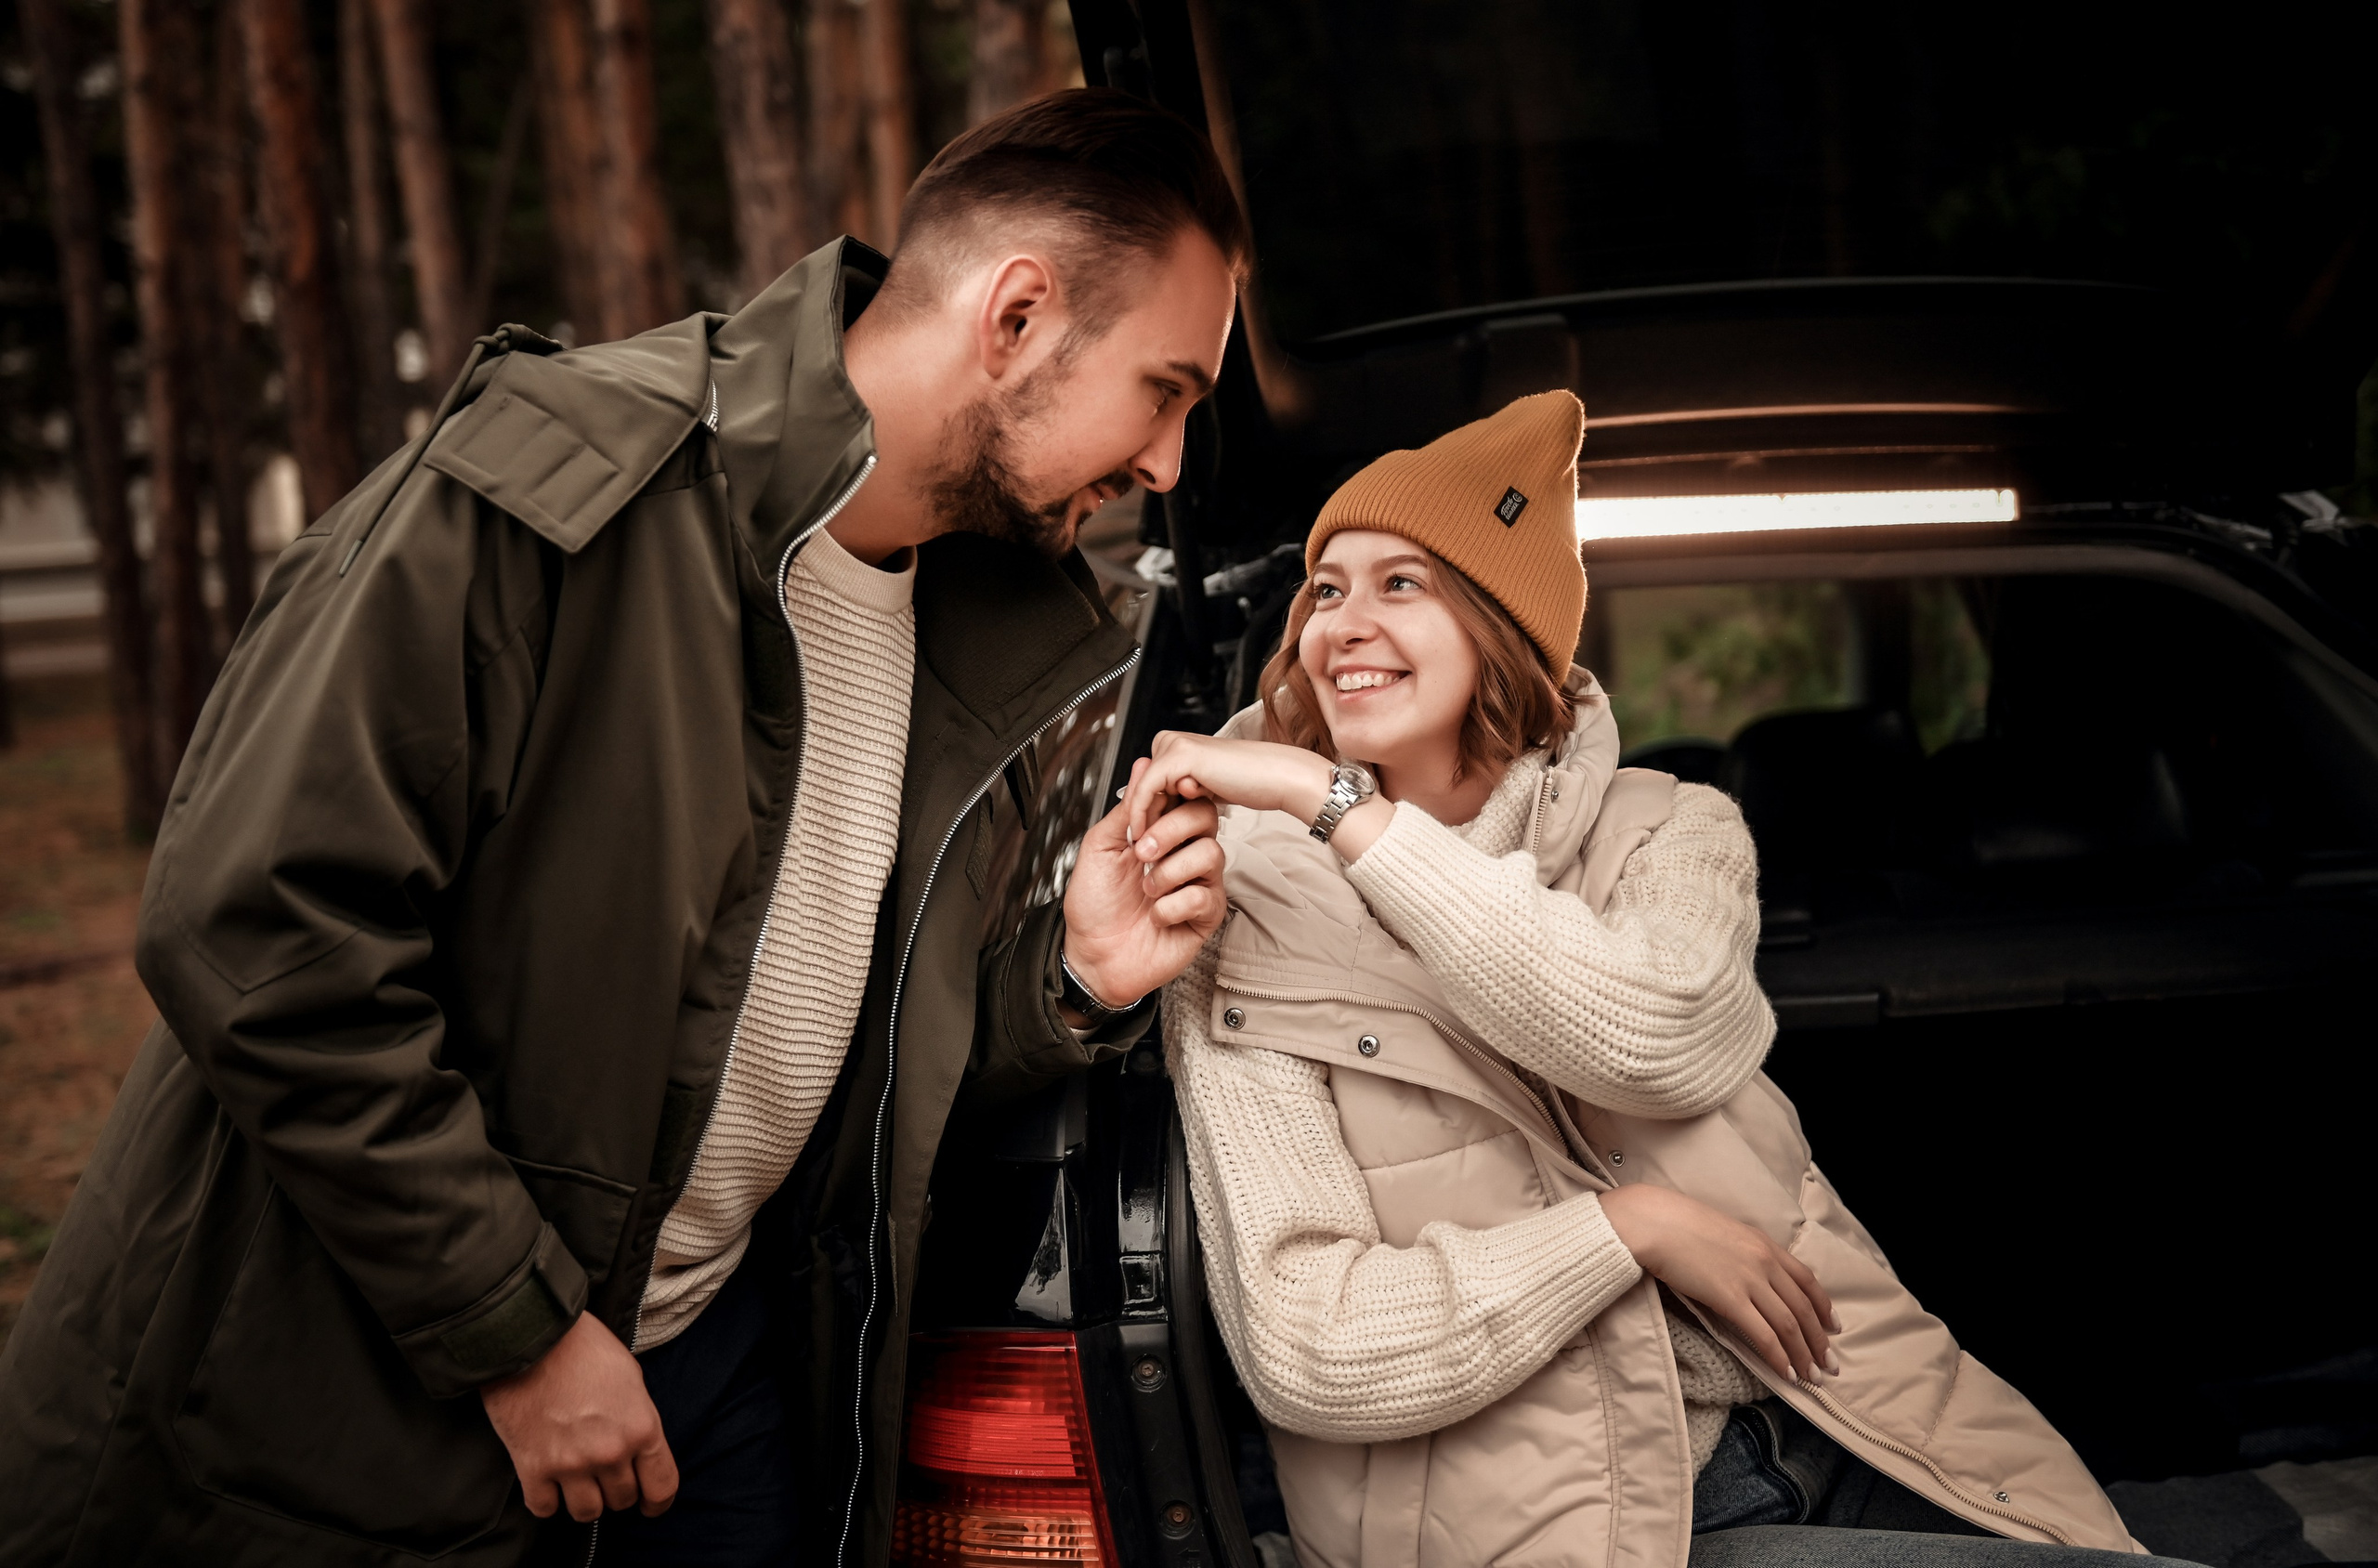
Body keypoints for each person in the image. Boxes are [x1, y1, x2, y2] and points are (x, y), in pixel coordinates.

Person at [0, 90, 1242, 1568]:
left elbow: (800, 1050)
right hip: (341, 1396)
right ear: (1018, 315)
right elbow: (256, 927)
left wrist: (1067, 980)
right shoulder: (560, 485)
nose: (1169, 464)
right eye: (1164, 391)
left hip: (702, 1368)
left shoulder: (975, 622)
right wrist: (518, 1336)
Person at [1118, 392, 2195, 1568]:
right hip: (1589, 1520)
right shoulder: (1235, 915)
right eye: (1326, 588)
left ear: (1502, 627)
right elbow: (1308, 1342)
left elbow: (1655, 1038)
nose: (1342, 623)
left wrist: (1350, 816)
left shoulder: (1673, 828)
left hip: (1838, 1408)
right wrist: (1624, 1229)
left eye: (1401, 583)